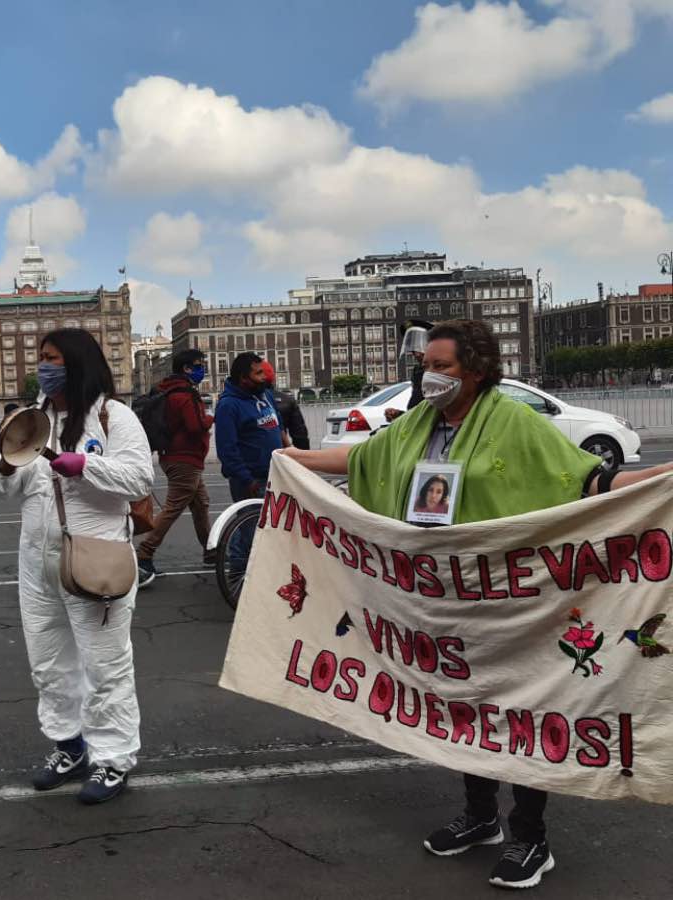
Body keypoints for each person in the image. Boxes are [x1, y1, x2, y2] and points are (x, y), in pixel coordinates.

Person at [281, 319, 673, 890]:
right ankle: (481, 815)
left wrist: (658, 480)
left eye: (442, 367)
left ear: (478, 369)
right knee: (461, 706)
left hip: (508, 602)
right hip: (439, 596)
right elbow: (365, 461)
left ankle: (530, 838)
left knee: (522, 708)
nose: (429, 376)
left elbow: (585, 482)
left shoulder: (515, 422)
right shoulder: (419, 422)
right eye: (426, 366)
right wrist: (293, 459)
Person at [0, 328, 153, 805]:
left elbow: (140, 477)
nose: (44, 365)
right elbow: (1, 490)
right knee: (48, 664)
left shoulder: (112, 416)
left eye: (52, 357)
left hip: (96, 557)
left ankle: (113, 758)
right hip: (37, 562)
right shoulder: (32, 420)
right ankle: (68, 745)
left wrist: (82, 464)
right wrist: (5, 461)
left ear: (77, 363)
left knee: (106, 664)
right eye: (41, 357)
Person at [136, 349, 214, 587]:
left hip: (173, 456)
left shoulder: (168, 390)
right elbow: (195, 425)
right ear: (187, 368)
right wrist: (211, 417)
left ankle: (212, 551)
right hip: (185, 458)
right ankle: (144, 554)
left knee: (201, 504)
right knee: (174, 507)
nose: (203, 369)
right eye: (199, 365)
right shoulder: (185, 394)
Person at [214, 354, 288, 570]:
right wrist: (246, 479)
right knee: (249, 528)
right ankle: (237, 570)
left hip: (274, 473)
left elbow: (278, 426)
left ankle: (262, 570)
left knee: (269, 525)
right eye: (258, 373)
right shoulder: (228, 406)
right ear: (243, 378)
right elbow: (227, 450)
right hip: (250, 479)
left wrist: (290, 452)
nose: (264, 377)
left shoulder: (264, 395)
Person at [262, 361, 310, 450]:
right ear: (273, 379)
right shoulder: (288, 400)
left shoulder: (244, 401)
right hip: (280, 454)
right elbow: (300, 436)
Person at [400, 321, 431, 410]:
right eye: (413, 349)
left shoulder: (441, 371)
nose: (417, 354)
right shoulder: (417, 370)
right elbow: (416, 404)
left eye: (420, 347)